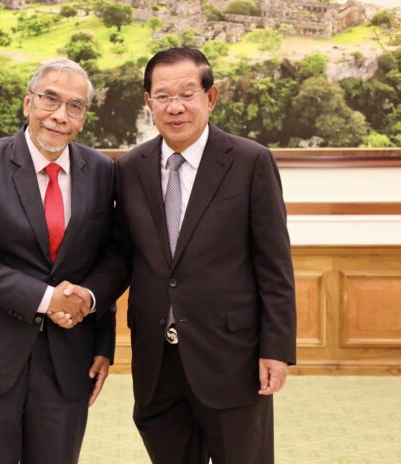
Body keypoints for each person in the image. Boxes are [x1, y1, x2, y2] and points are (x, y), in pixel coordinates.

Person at [77, 47, 297, 463]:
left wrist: (276, 348)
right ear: (148, 102)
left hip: (231, 358)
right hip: (157, 361)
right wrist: (87, 297)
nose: (174, 107)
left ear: (210, 97)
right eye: (162, 96)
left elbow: (274, 265)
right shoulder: (129, 168)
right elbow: (120, 255)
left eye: (186, 94)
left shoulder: (250, 161)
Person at [0, 58, 116, 464]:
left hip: (68, 357)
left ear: (84, 117)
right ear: (28, 103)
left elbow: (110, 257)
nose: (60, 115)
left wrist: (103, 341)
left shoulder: (103, 171)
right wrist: (49, 300)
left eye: (75, 106)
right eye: (50, 99)